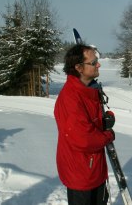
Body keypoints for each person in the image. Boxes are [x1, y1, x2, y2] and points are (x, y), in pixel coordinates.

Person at [54, 44, 115, 205]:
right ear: (79, 68)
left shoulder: (89, 90)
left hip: (95, 168)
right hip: (80, 173)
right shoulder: (71, 97)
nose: (98, 65)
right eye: (93, 62)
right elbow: (83, 139)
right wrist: (108, 136)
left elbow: (90, 122)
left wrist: (103, 121)